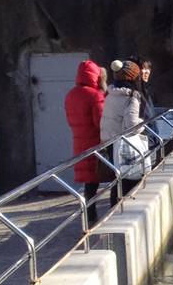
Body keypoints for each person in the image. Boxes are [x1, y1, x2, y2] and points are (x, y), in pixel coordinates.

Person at [63, 59, 106, 226]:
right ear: (95, 76)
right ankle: (94, 217)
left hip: (78, 141)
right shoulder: (95, 96)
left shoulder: (71, 94)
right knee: (100, 179)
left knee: (89, 182)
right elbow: (100, 122)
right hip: (95, 142)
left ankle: (89, 216)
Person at [100, 59, 147, 207]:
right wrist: (144, 124)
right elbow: (132, 124)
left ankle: (114, 210)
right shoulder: (131, 96)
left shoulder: (110, 93)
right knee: (131, 178)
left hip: (110, 142)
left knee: (118, 179)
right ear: (133, 77)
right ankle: (128, 210)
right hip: (124, 144)